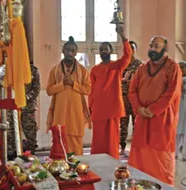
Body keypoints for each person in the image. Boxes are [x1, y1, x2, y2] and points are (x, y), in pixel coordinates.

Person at [127, 36, 182, 186]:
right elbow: (132, 91)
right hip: (143, 118)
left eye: (156, 46)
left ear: (165, 49)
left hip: (162, 120)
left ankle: (161, 186)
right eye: (151, 45)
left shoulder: (173, 67)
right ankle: (139, 186)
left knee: (160, 158)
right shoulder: (142, 68)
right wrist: (139, 108)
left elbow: (171, 93)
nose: (152, 49)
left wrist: (152, 110)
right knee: (140, 156)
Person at [89, 25, 131, 159]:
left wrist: (123, 36)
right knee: (98, 139)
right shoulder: (95, 69)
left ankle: (112, 161)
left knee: (112, 138)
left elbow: (128, 55)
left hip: (113, 108)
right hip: (99, 108)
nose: (103, 52)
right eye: (101, 50)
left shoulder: (116, 66)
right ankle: (97, 161)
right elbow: (91, 90)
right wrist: (90, 106)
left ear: (110, 51)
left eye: (105, 49)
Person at [46, 36, 91, 155]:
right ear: (63, 51)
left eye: (72, 51)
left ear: (76, 53)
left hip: (76, 115)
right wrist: (62, 84)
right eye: (67, 50)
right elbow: (49, 90)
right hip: (59, 114)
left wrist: (74, 84)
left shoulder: (83, 71)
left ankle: (78, 168)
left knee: (76, 142)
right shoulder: (55, 70)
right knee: (59, 139)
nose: (69, 53)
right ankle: (59, 167)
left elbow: (88, 90)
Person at [120, 40, 142, 155]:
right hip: (123, 99)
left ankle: (135, 149)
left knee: (136, 125)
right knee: (122, 125)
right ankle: (122, 148)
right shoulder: (122, 63)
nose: (131, 50)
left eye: (133, 48)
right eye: (129, 48)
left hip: (135, 100)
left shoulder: (140, 65)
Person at [21, 61, 41, 154]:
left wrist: (25, 98)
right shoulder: (10, 68)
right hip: (12, 106)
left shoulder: (33, 70)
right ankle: (12, 155)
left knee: (30, 132)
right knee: (10, 133)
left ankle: (31, 153)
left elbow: (36, 89)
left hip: (28, 106)